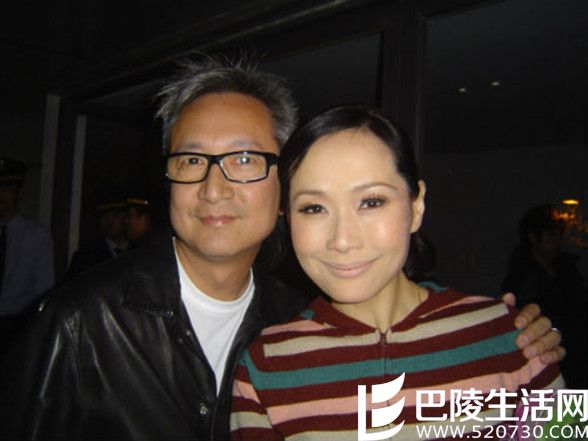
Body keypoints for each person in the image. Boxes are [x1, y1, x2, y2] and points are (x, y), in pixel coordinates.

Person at [0, 57, 562, 441]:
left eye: (244, 159)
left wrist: (518, 346)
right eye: (191, 160)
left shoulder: (289, 316)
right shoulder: (77, 323)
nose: (213, 188)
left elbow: (562, 423)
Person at [231, 106, 564, 440]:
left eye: (371, 202)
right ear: (288, 219)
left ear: (416, 207)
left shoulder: (514, 337)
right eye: (313, 208)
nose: (343, 240)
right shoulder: (263, 367)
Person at [503, 204, 586, 387]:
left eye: (558, 234)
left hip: (577, 359)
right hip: (545, 362)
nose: (557, 240)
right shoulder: (521, 277)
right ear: (533, 237)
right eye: (550, 234)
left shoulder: (568, 270)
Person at [0, 157, 54, 357]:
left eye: (7, 188)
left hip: (17, 325)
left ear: (18, 192)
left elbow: (44, 289)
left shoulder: (35, 235)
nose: (1, 194)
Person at [67, 189, 130, 276]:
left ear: (127, 218)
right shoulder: (85, 258)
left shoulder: (138, 253)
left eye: (115, 215)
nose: (108, 221)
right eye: (104, 215)